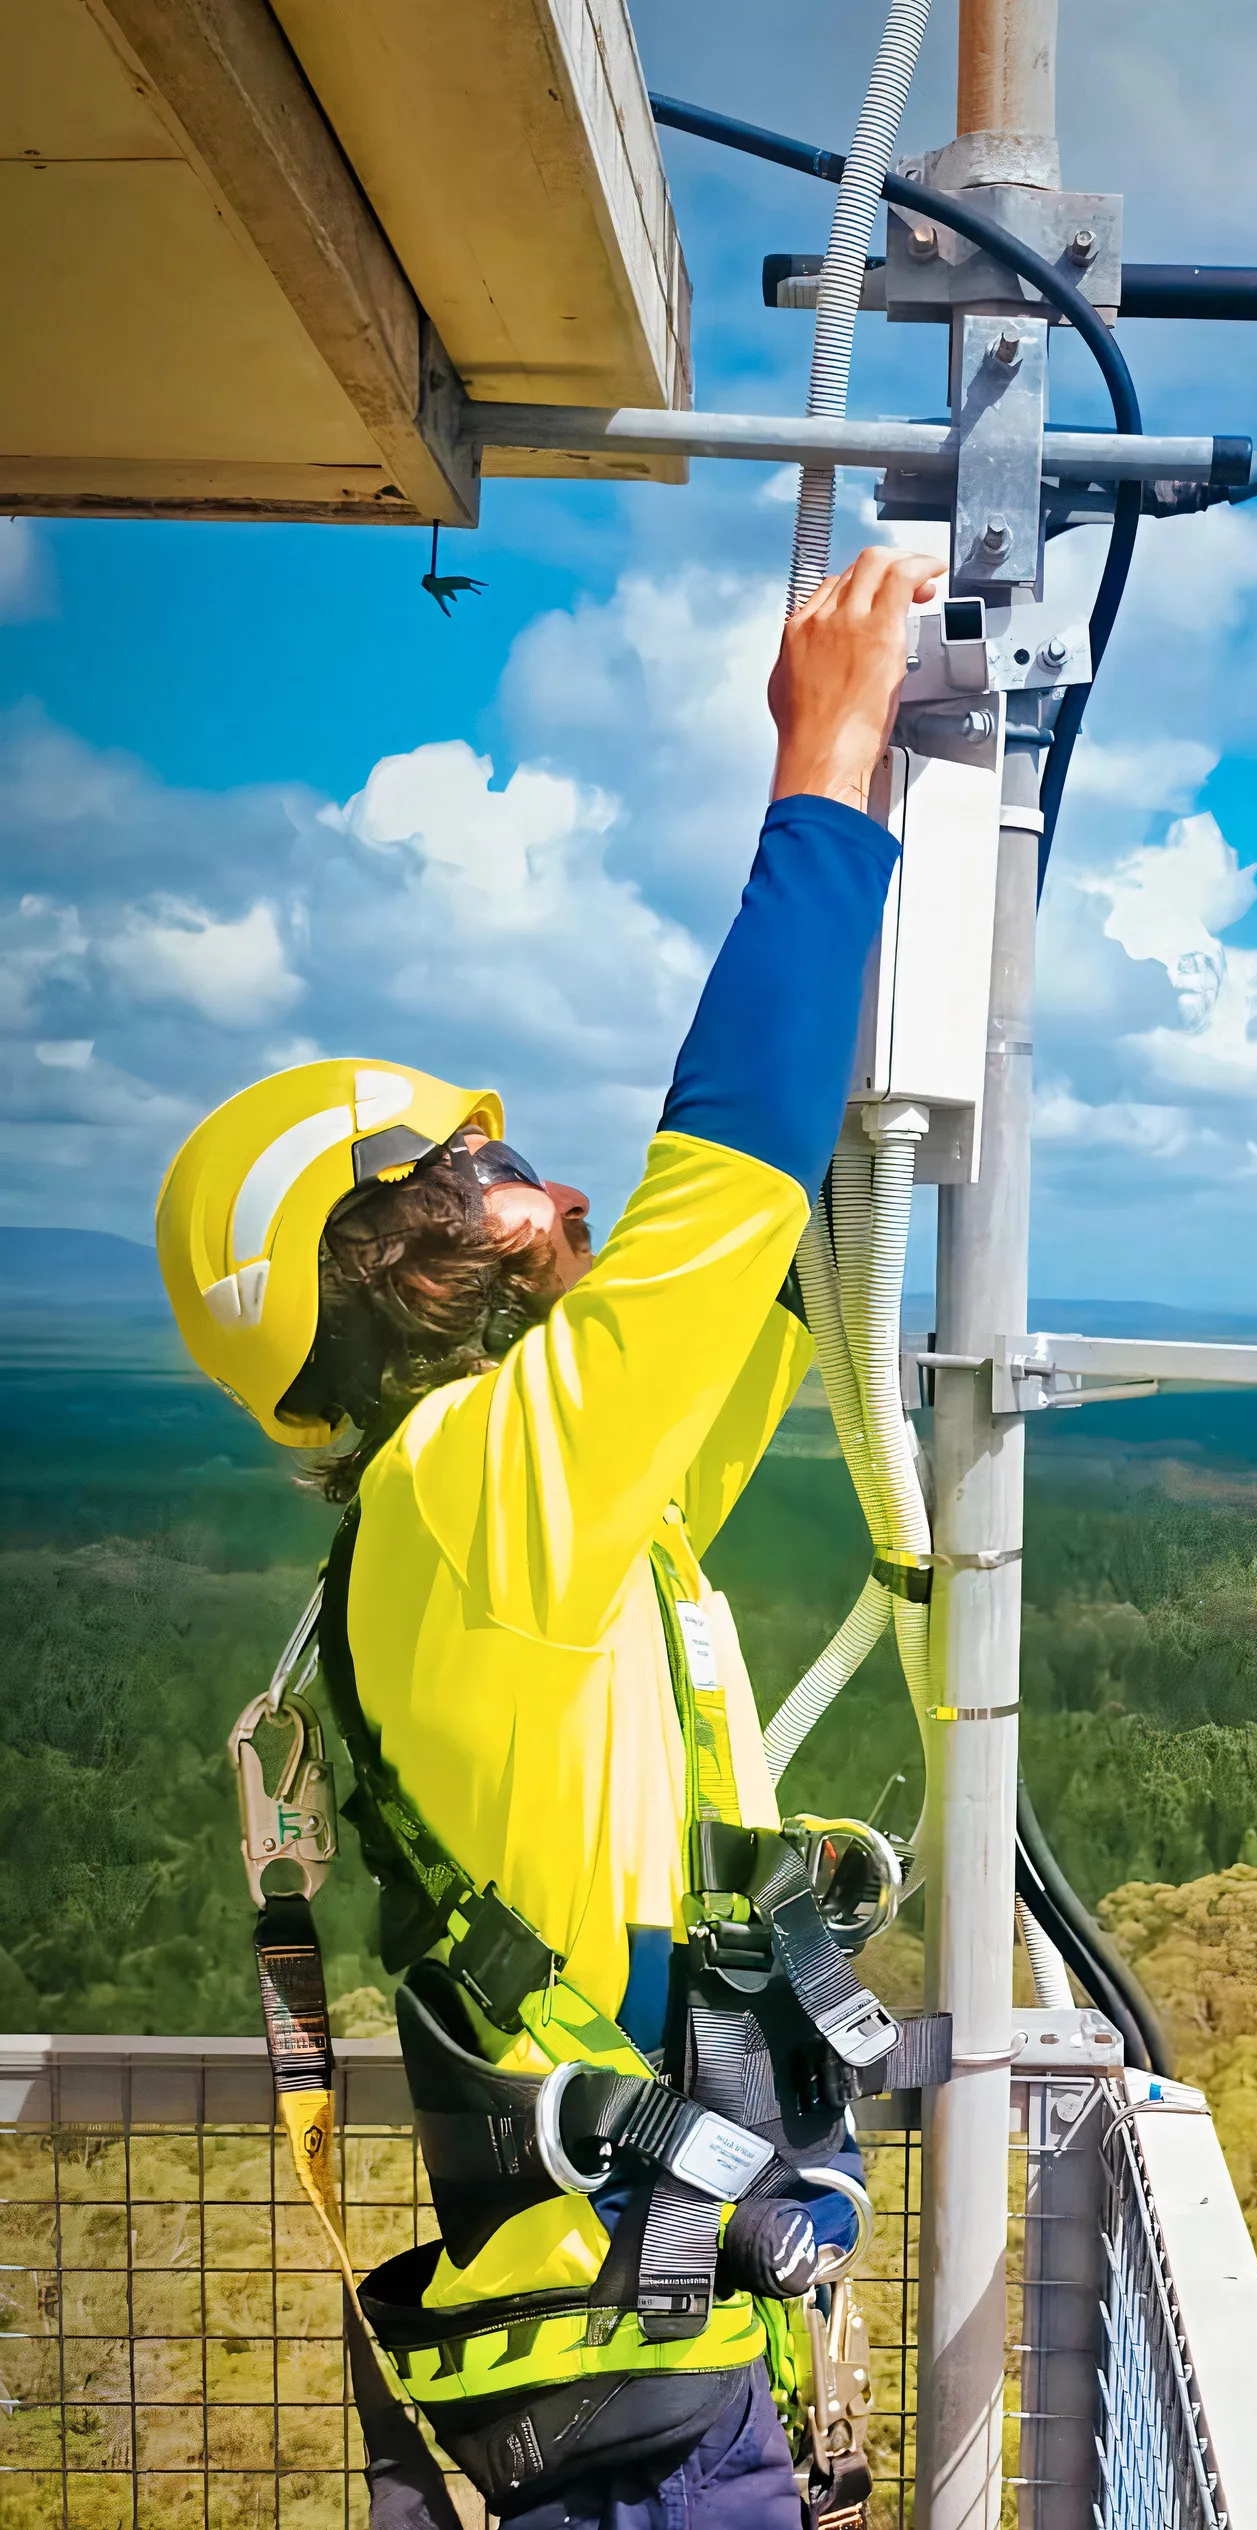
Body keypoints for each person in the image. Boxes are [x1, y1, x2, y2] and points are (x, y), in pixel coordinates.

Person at [155, 546, 946, 2529]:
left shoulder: (539, 1512)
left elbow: (763, 1255)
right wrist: (826, 760)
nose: (559, 1191)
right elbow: (723, 1181)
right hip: (647, 2419)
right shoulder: (472, 1494)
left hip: (662, 2377)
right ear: (383, 1255)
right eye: (493, 1170)